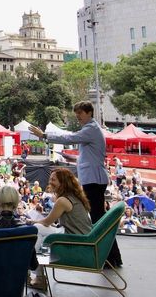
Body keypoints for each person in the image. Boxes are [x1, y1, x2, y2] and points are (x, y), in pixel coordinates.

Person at [30, 101, 121, 267]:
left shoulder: (90, 129)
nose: (77, 116)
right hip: (93, 179)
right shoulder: (91, 130)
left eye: (80, 113)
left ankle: (108, 257)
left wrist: (44, 135)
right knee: (99, 219)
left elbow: (69, 137)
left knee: (98, 219)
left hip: (94, 180)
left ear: (89, 112)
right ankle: (112, 257)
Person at [29, 168, 93, 236]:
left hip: (76, 237)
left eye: (53, 180)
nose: (50, 182)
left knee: (37, 227)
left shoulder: (63, 200)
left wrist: (30, 222)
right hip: (83, 235)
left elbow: (46, 222)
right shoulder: (75, 197)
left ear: (63, 182)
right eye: (50, 179)